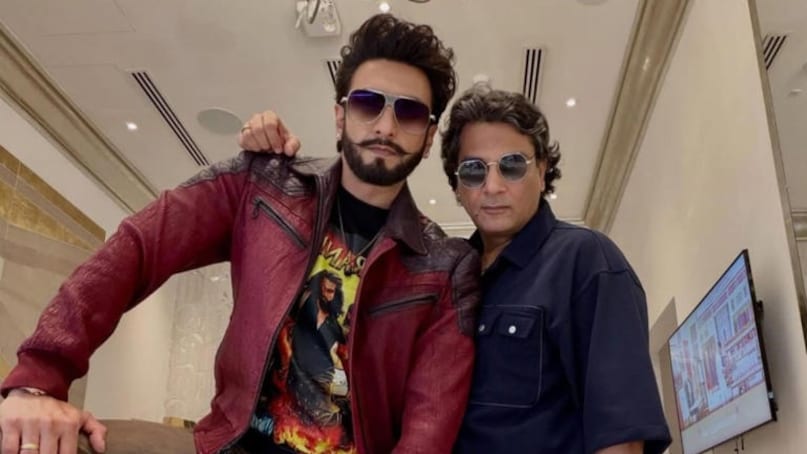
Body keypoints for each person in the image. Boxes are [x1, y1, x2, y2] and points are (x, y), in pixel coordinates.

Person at [0, 14, 480, 454]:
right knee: (31, 444)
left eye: (409, 113)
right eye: (368, 103)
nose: (386, 126)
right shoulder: (263, 183)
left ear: (429, 136)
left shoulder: (444, 264)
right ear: (340, 115)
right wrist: (40, 378)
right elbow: (138, 248)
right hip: (228, 444)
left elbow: (429, 422)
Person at [239, 83, 672, 453]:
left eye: (512, 166)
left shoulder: (585, 261)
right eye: (473, 171)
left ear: (542, 170)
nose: (493, 186)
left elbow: (621, 435)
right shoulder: (441, 275)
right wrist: (277, 162)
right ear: (457, 187)